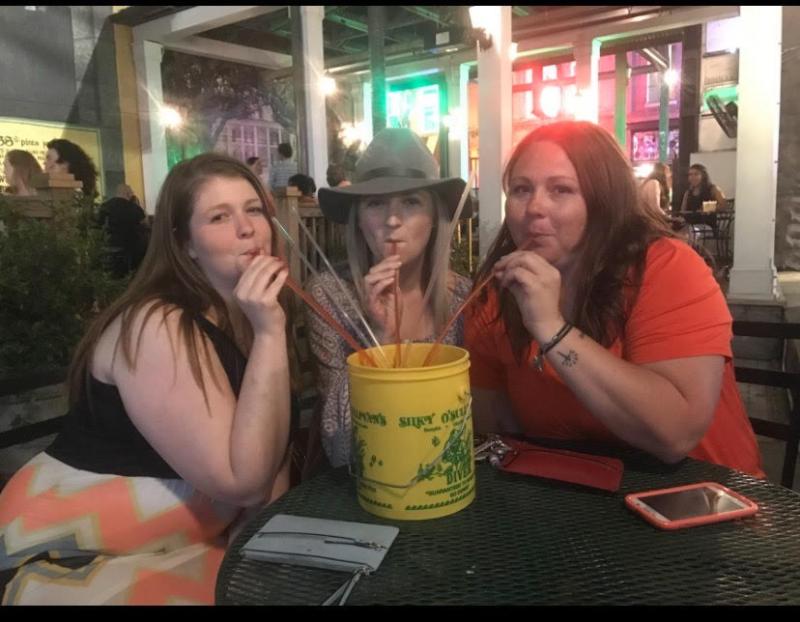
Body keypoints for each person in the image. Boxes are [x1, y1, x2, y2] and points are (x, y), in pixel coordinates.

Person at [0, 153, 295, 605]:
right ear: (186, 244)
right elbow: (243, 480)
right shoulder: (157, 324)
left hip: (178, 543)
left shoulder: (243, 314)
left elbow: (274, 448)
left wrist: (256, 556)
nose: (247, 228)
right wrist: (271, 331)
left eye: (253, 209)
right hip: (70, 556)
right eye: (219, 216)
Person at [465, 120, 762, 477]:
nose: (534, 208)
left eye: (561, 190)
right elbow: (498, 430)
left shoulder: (668, 268)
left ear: (605, 201)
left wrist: (551, 330)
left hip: (706, 500)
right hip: (583, 501)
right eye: (521, 189)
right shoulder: (495, 295)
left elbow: (676, 434)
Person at [309, 127, 473, 468]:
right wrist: (380, 342)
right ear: (358, 220)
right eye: (375, 203)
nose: (392, 220)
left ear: (434, 218)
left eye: (411, 202)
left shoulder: (463, 298)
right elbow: (341, 450)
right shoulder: (330, 295)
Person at [96, 183, 149, 278]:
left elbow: (96, 225)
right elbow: (145, 224)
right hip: (130, 251)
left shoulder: (104, 207)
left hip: (107, 249)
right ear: (128, 194)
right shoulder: (134, 208)